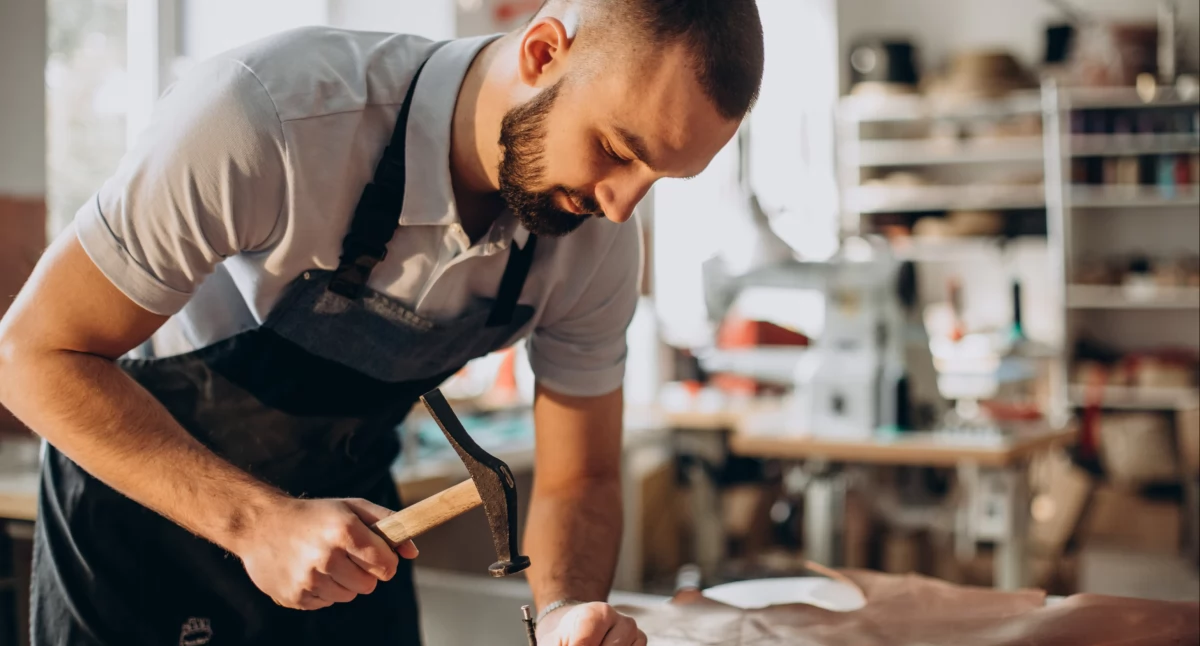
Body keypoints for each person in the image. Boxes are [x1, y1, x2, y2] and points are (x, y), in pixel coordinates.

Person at [0, 0, 764, 643]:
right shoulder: (268, 117)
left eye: (659, 177)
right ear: (542, 52)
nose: (622, 206)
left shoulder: (595, 238)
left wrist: (566, 611)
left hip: (351, 542)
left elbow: (582, 476)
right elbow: (30, 356)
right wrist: (258, 524)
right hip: (140, 533)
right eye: (616, 149)